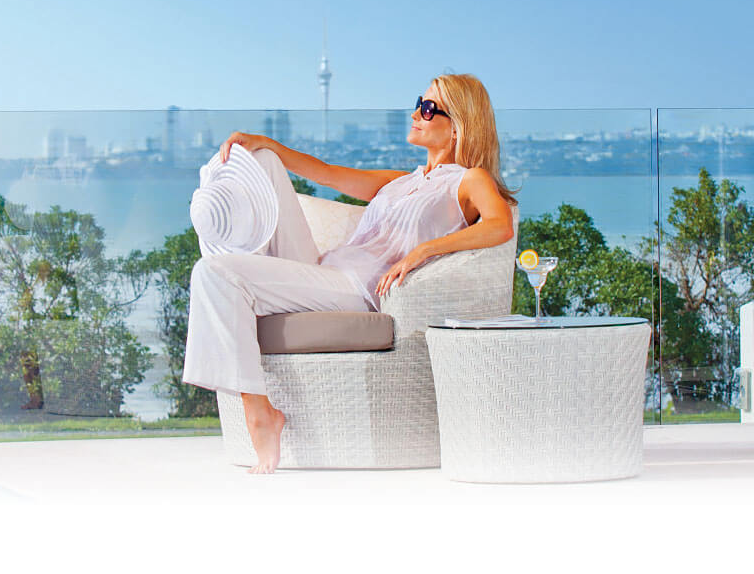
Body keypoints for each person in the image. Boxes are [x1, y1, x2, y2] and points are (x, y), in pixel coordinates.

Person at [182, 73, 517, 473]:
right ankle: (240, 271)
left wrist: (424, 251)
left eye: (428, 109)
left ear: (458, 125)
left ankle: (260, 413)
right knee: (263, 161)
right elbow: (324, 172)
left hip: (356, 289)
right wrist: (264, 142)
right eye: (419, 103)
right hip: (323, 270)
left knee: (214, 272)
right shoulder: (399, 181)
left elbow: (500, 225)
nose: (416, 114)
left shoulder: (468, 180)